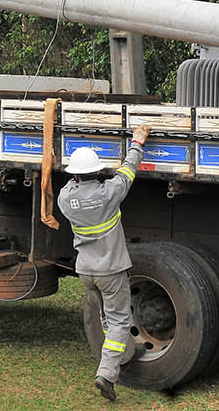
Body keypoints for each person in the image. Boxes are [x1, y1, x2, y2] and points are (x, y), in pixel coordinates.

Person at [57, 123, 151, 402]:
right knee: (120, 321)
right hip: (110, 271)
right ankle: (107, 374)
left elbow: (71, 184)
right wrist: (138, 141)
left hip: (86, 271)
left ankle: (124, 354)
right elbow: (128, 170)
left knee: (106, 319)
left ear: (75, 174)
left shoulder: (65, 198)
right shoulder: (110, 192)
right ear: (98, 172)